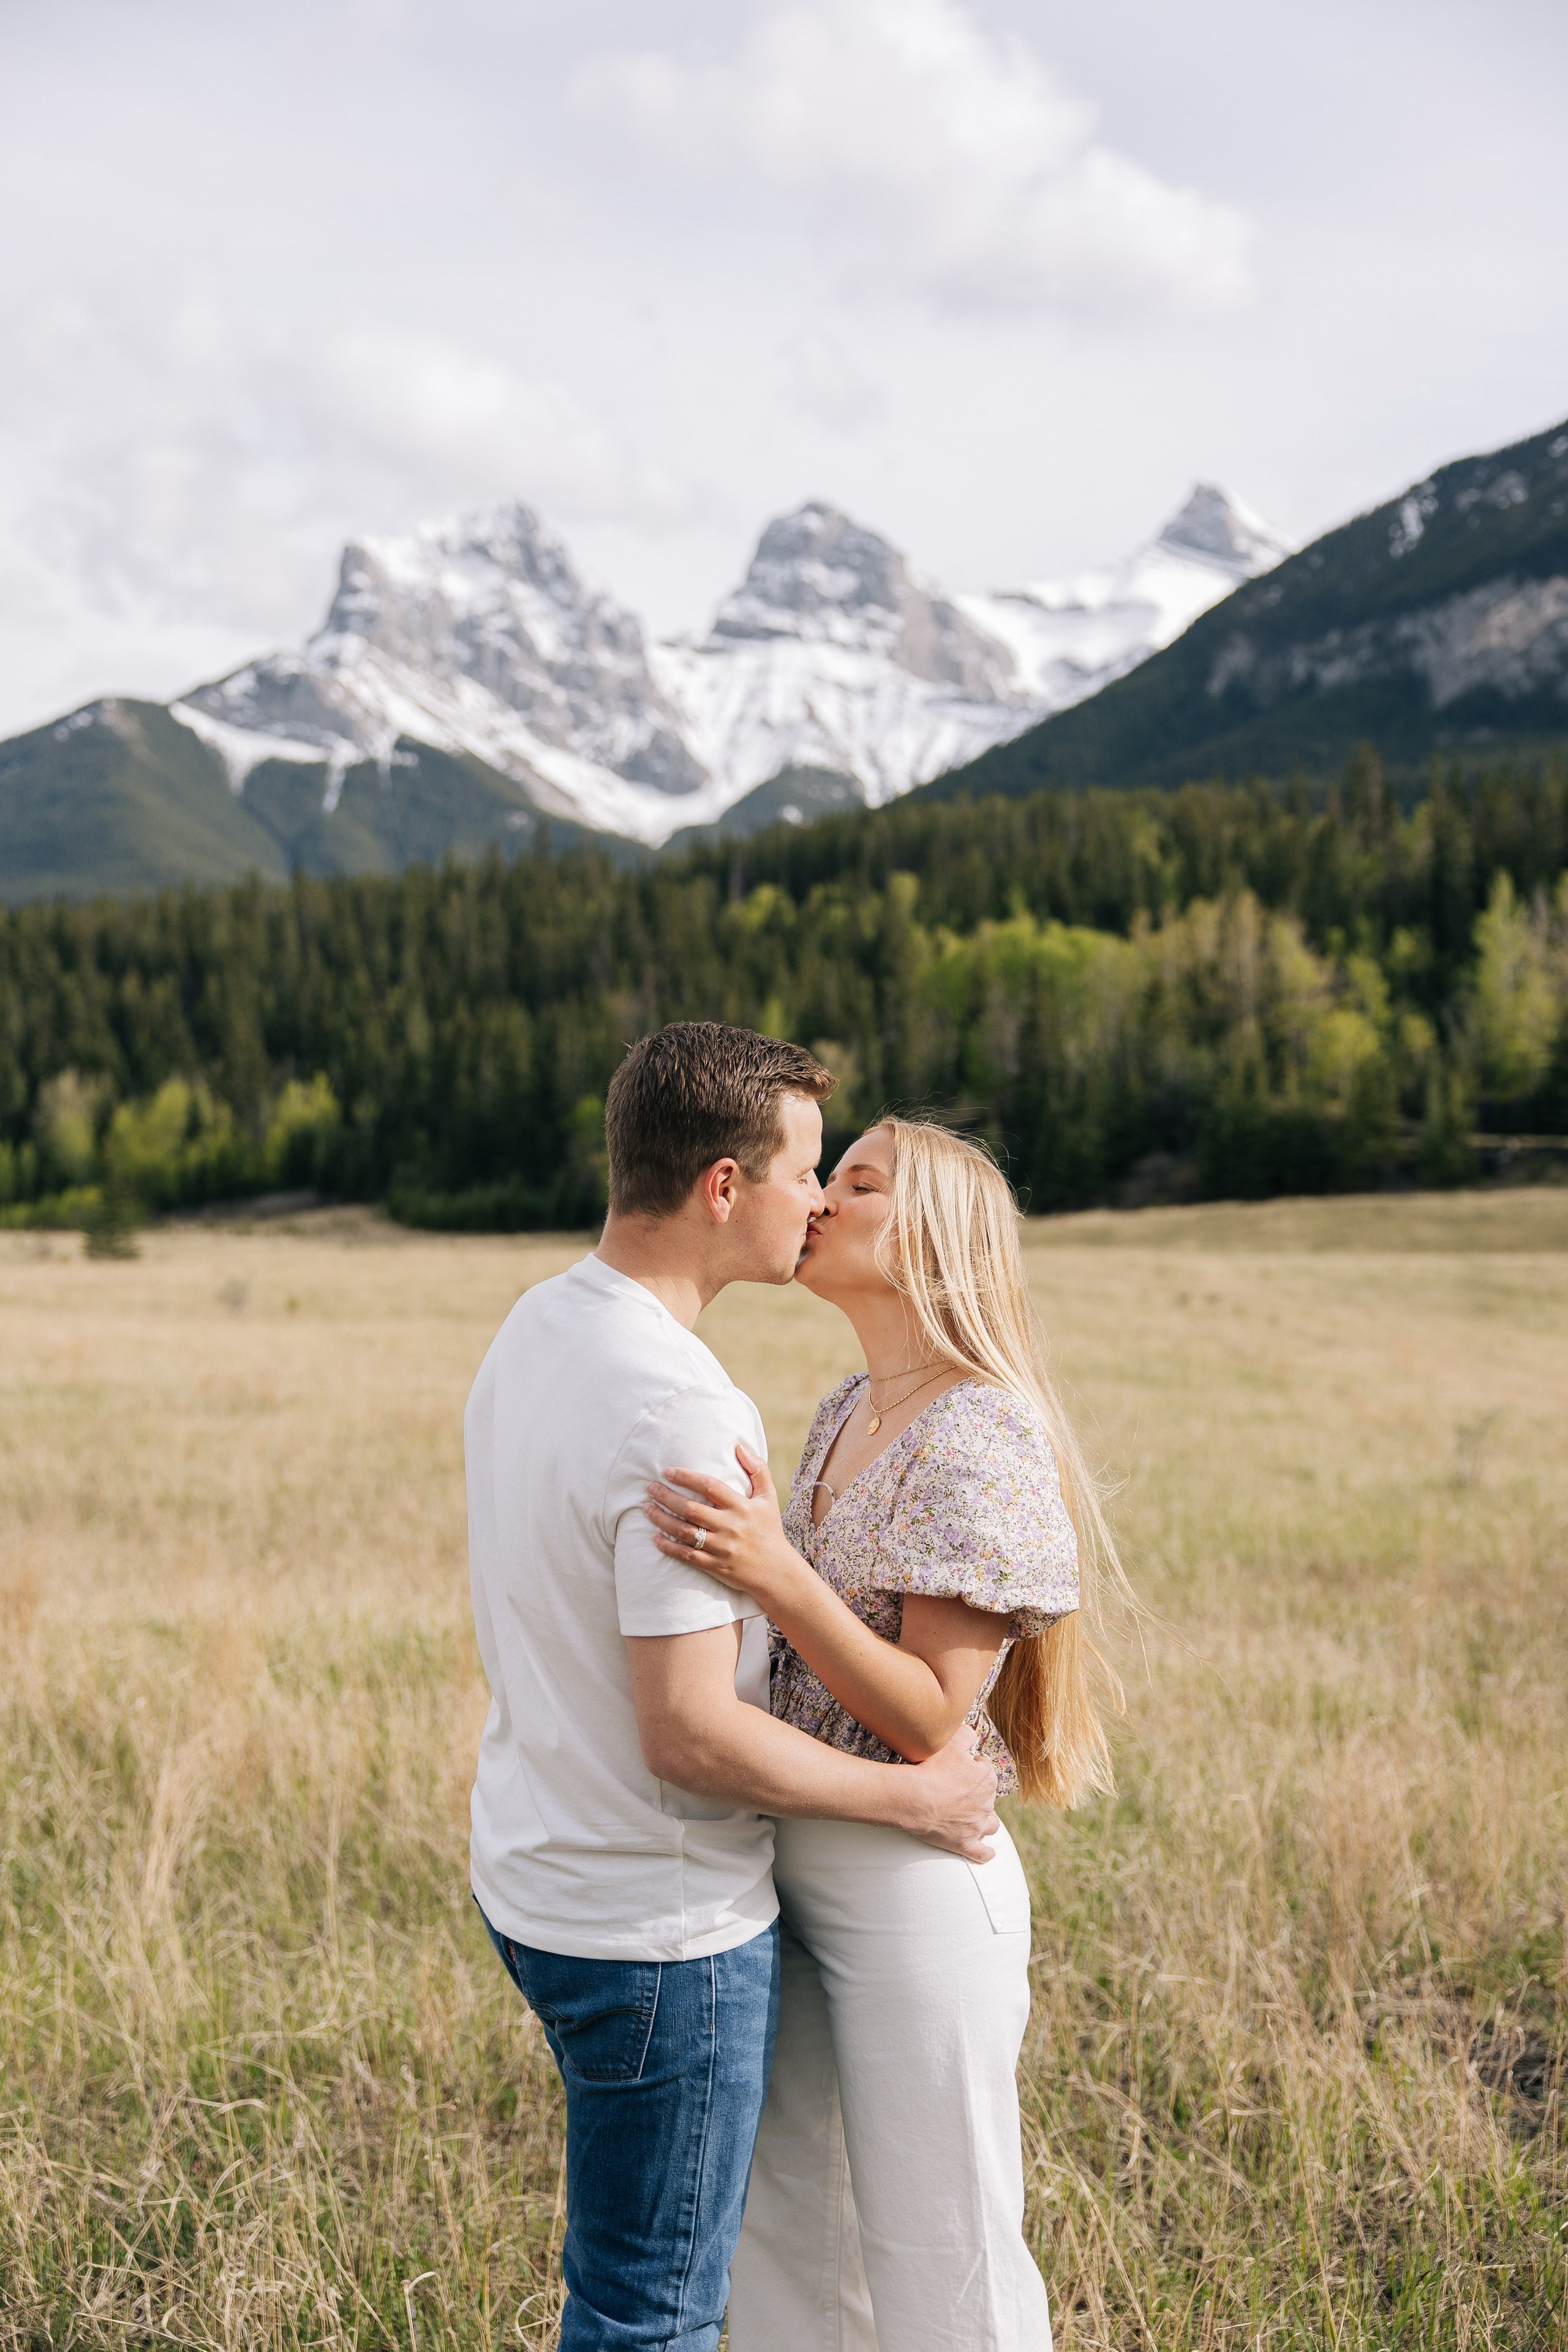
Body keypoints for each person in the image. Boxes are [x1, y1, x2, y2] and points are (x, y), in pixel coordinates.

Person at [466, 1030, 1001, 2352]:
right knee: (650, 2318)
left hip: (536, 1877)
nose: (816, 1200)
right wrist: (916, 1799)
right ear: (720, 1187)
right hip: (657, 1927)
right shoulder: (681, 1412)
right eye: (804, 1171)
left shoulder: (541, 1322)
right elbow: (690, 1735)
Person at [643, 1115, 1129, 2352]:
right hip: (791, 1860)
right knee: (790, 2240)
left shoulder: (980, 1430)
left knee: (940, 2252)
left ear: (930, 1240)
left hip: (912, 1879)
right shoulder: (842, 1407)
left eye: (855, 1184)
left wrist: (774, 1575)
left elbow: (926, 1715)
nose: (816, 1202)